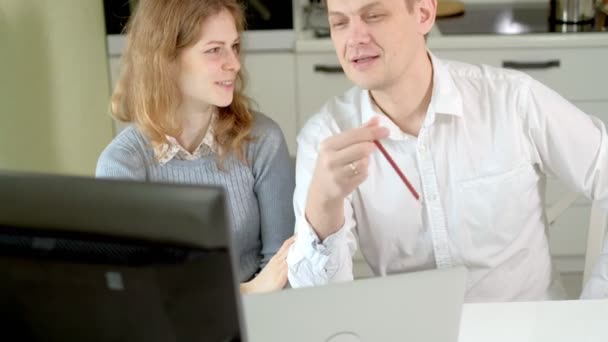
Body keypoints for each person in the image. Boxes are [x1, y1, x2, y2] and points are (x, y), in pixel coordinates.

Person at [287, 0, 608, 302]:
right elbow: (321, 306)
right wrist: (325, 207)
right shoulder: (325, 141)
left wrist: (595, 308)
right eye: (339, 22)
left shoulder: (513, 101)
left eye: (374, 16)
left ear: (424, 13)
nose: (354, 39)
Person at [96, 0, 295, 294]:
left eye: (235, 46)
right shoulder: (121, 164)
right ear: (166, 57)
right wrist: (248, 291)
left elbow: (283, 270)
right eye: (215, 50)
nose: (234, 63)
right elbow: (135, 289)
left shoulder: (263, 140)